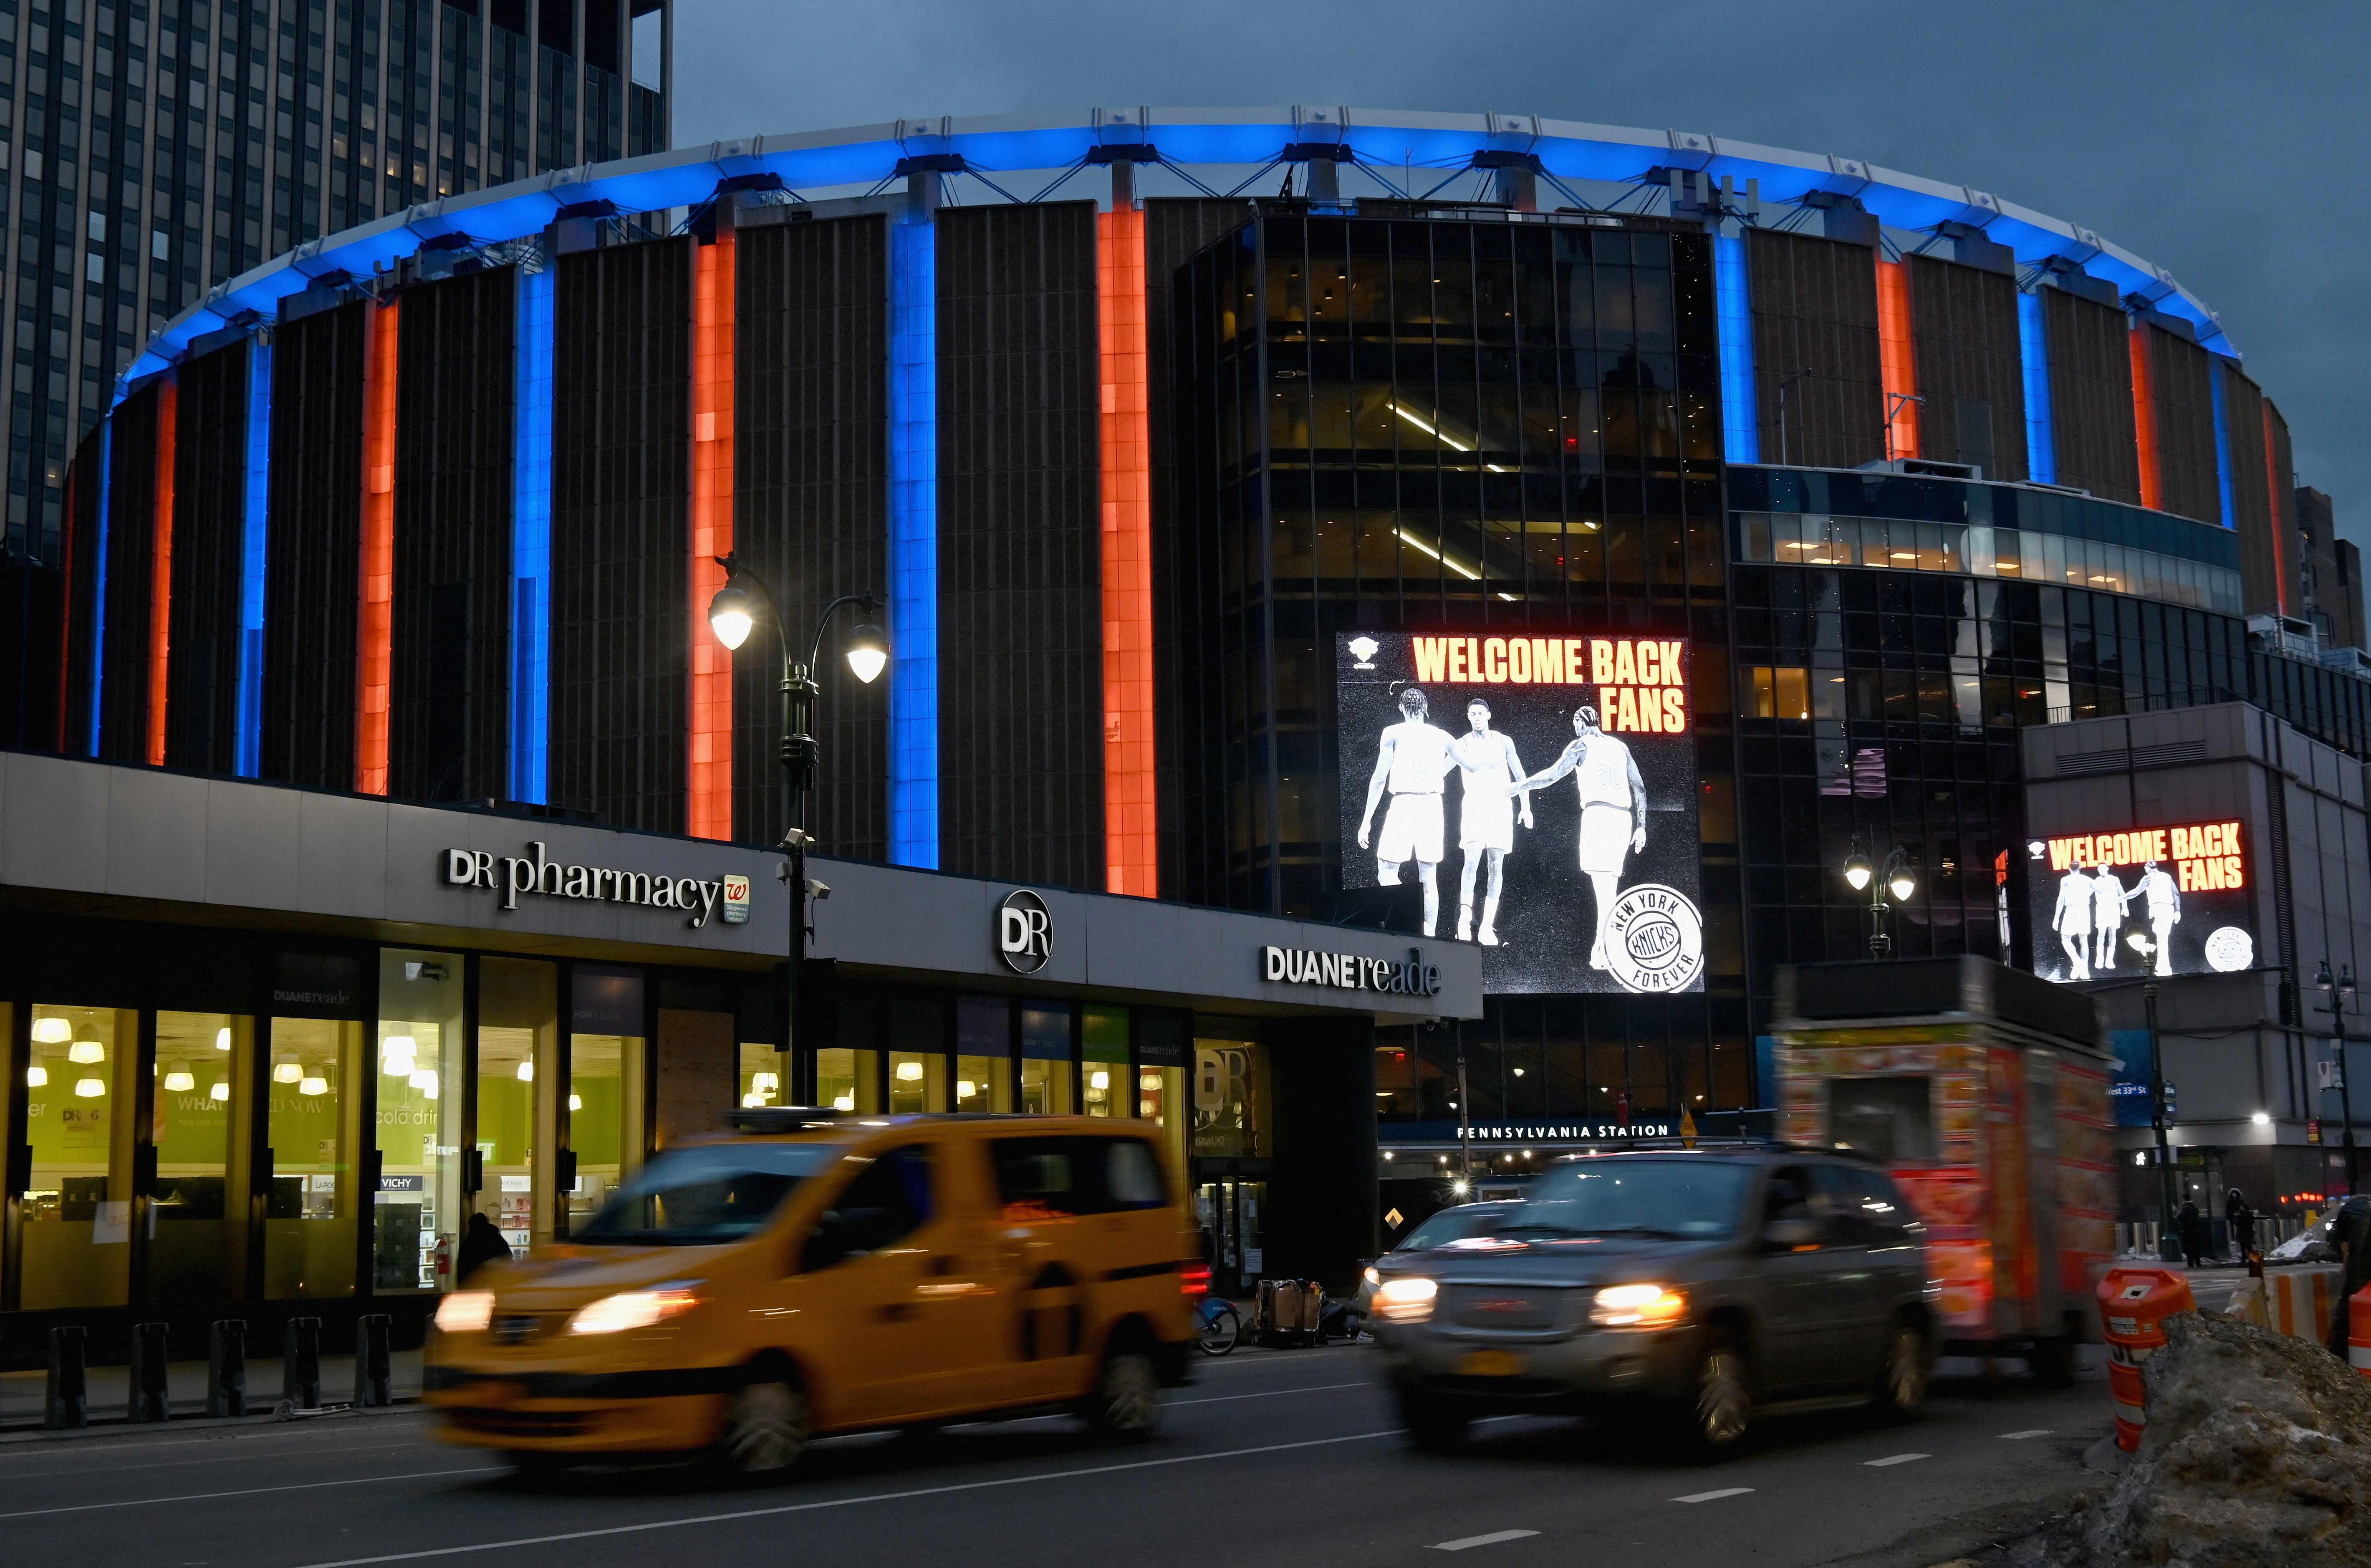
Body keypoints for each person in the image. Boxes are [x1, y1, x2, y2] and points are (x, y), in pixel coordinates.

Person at [1512, 704, 1647, 973]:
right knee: (1608, 888)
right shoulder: (1620, 747)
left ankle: (1606, 950)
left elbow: (1551, 775)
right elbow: (1640, 787)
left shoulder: (1580, 745)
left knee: (1604, 891)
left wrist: (1520, 785)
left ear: (1579, 722)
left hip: (1599, 815)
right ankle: (1601, 950)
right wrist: (1642, 826)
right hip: (1624, 818)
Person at [1357, 686, 1459, 937]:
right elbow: (1462, 757)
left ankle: (1407, 923)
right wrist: (1440, 771)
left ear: (1401, 708)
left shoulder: (1393, 732)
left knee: (1387, 870)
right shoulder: (1441, 735)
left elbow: (1380, 778)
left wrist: (1366, 820)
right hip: (1433, 804)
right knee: (1428, 877)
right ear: (1426, 708)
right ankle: (1430, 934)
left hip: (1404, 804)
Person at [1451, 698, 1530, 947]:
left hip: (1500, 807)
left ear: (1488, 715)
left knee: (1496, 866)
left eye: (1480, 713)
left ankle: (1487, 926)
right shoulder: (1461, 743)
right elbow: (1442, 769)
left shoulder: (1504, 741)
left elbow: (1520, 777)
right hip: (1474, 804)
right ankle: (1465, 919)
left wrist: (1526, 808)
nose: (1476, 718)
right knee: (1472, 861)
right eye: (1471, 714)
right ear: (1468, 716)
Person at [2327, 1196, 2371, 1361]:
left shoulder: (2350, 1216)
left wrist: (2351, 1283)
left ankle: (2339, 1354)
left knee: (2353, 1296)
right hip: (2361, 1227)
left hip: (2361, 1228)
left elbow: (2348, 1255)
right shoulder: (2357, 1211)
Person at [2136, 857, 2182, 976]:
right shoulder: (2167, 876)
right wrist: (2178, 911)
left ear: (2148, 868)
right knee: (2162, 939)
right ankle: (2162, 966)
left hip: (2159, 908)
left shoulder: (2148, 878)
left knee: (2161, 939)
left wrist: (2121, 898)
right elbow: (2176, 893)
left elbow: (2136, 892)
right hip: (2169, 908)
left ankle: (2165, 968)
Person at [2051, 867, 2094, 981]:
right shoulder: (2088, 879)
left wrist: (2056, 918)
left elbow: (2061, 899)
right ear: (2080, 868)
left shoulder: (2066, 879)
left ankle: (2077, 962)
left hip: (2072, 910)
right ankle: (2082, 967)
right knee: (2083, 941)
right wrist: (2086, 896)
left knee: (2066, 939)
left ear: (2070, 869)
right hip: (2083, 910)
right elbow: (2096, 889)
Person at [2091, 865, 2131, 972]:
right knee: (2101, 933)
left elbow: (2122, 894)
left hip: (2114, 909)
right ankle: (2100, 959)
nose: (2102, 870)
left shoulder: (2115, 879)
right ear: (2098, 871)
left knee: (2113, 933)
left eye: (2104, 868)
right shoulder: (2095, 881)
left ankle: (2109, 960)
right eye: (2100, 869)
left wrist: (2125, 907)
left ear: (2107, 869)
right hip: (2102, 909)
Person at [457, 1211, 513, 1284]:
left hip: (474, 1283)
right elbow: (508, 1256)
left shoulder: (469, 1242)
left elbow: (463, 1269)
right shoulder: (494, 1237)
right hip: (494, 1281)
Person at [2225, 1187, 2256, 1263]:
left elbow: (2238, 1222)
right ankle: (2252, 1261)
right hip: (2246, 1233)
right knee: (2247, 1247)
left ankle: (2249, 1261)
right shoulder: (2247, 1215)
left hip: (2244, 1233)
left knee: (2247, 1247)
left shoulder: (2243, 1216)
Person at [2175, 1199, 2207, 1268]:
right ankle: (2198, 1262)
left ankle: (2191, 1263)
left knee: (2188, 1248)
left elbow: (2179, 1218)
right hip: (2195, 1231)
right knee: (2196, 1248)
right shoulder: (2195, 1209)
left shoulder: (2185, 1209)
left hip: (2187, 1231)